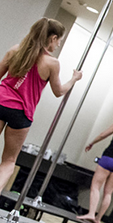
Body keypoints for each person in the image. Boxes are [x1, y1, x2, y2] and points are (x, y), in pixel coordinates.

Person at [0, 18, 83, 190]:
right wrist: (74, 79)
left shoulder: (15, 50)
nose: (59, 44)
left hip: (1, 100)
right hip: (21, 113)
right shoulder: (52, 63)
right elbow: (58, 91)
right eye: (59, 40)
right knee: (8, 162)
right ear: (53, 38)